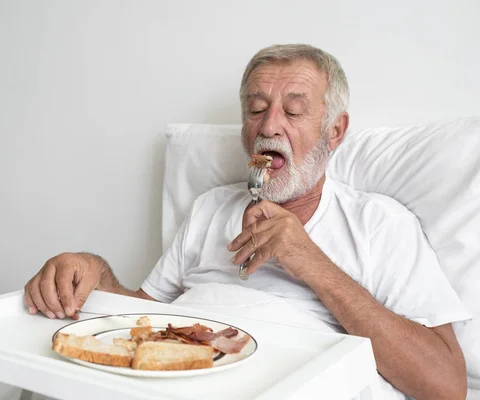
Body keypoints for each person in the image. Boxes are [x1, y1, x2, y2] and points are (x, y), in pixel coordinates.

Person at [24, 44, 469, 399]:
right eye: (256, 109)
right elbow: (144, 318)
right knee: (42, 379)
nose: (269, 126)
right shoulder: (209, 208)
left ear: (334, 131)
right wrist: (94, 272)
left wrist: (309, 261)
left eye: (293, 112)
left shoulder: (380, 224)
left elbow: (446, 385)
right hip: (173, 379)